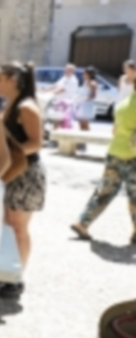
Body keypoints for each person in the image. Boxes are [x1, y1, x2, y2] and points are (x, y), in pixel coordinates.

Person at [0, 62, 45, 299]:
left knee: (18, 227)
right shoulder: (11, 104)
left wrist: (8, 157)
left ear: (12, 80)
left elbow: (36, 143)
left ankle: (16, 278)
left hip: (26, 173)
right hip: (12, 172)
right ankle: (5, 270)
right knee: (6, 224)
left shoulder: (26, 107)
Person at [71, 74, 136, 244]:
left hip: (115, 152)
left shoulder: (122, 106)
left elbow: (115, 131)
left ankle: (83, 222)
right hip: (133, 156)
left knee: (105, 190)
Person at [78, 67, 97, 132]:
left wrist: (85, 99)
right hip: (82, 103)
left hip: (87, 105)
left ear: (89, 74)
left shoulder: (92, 83)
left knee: (85, 123)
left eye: (85, 73)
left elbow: (93, 95)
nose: (83, 74)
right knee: (80, 123)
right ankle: (81, 140)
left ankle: (85, 139)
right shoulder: (85, 81)